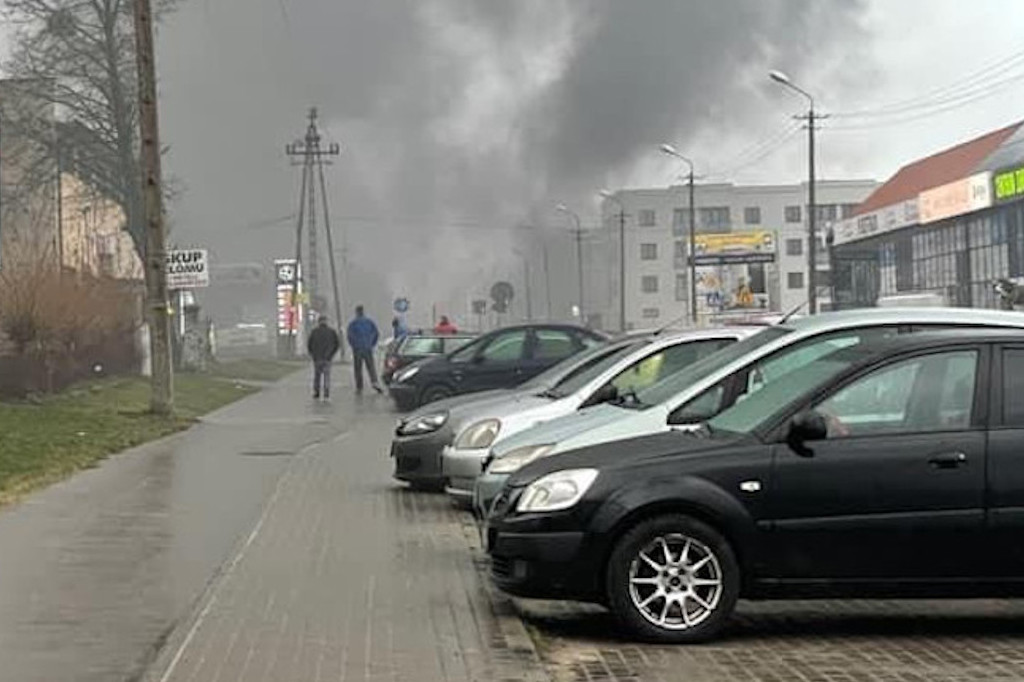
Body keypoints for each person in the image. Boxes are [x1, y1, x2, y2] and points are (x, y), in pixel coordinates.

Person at [347, 304, 383, 393]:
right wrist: (372, 344)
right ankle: (374, 382)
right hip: (368, 348)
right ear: (363, 311)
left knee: (358, 368)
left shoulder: (353, 324)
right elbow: (376, 333)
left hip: (358, 349)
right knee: (371, 366)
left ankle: (359, 386)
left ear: (356, 312)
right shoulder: (369, 322)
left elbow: (350, 336)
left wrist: (354, 345)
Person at [307, 316, 341, 400]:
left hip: (317, 357)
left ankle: (316, 392)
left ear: (319, 322)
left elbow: (309, 345)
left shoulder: (314, 332)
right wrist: (332, 354)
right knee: (327, 375)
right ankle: (326, 392)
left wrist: (313, 355)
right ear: (326, 321)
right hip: (327, 358)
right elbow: (337, 344)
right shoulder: (331, 332)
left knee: (317, 376)